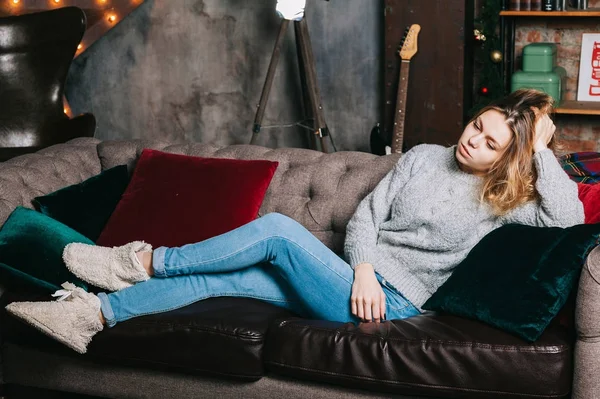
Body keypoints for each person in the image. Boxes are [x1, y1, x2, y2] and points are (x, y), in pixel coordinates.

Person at [5, 89, 584, 354]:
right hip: (349, 279)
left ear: (507, 157)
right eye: (475, 125)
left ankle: (139, 260)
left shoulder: (507, 197)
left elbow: (570, 215)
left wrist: (540, 146)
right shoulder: (421, 157)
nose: (472, 140)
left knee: (279, 232)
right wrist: (359, 267)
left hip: (396, 303)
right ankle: (93, 314)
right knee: (221, 281)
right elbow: (365, 218)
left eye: (489, 141)